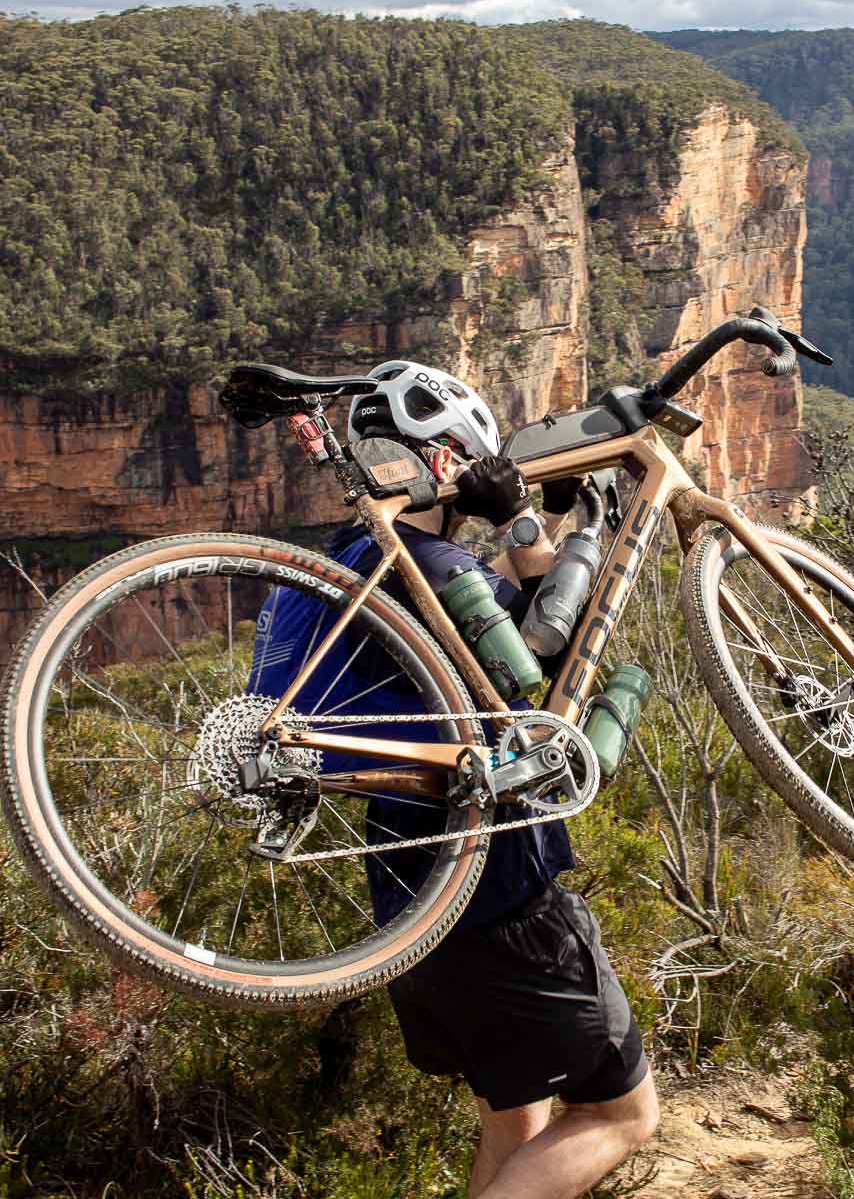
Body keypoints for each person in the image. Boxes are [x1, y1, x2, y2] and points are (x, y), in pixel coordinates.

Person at [245, 360, 658, 1199]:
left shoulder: (356, 559)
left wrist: (540, 528)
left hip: (411, 899)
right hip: (500, 894)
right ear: (442, 461)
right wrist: (532, 526)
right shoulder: (427, 560)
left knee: (515, 1117)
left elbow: (491, 623)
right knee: (622, 1116)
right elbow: (530, 657)